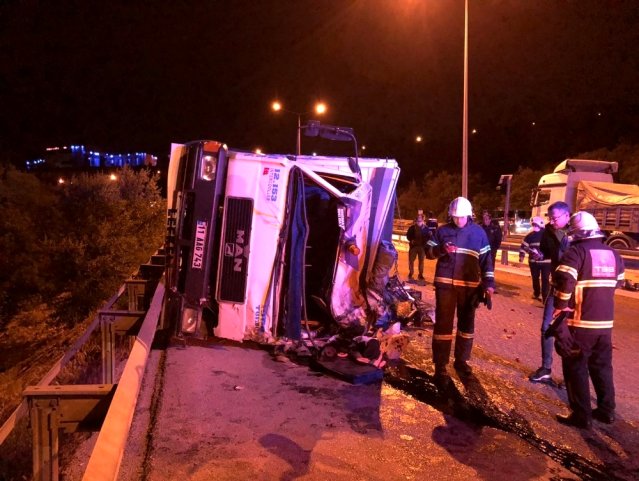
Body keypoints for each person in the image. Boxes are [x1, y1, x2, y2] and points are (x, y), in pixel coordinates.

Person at [552, 211, 624, 429]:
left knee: (575, 367)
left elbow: (565, 281)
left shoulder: (576, 252)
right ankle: (606, 411)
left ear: (576, 233)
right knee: (602, 367)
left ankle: (581, 415)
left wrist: (560, 306)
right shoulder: (613, 253)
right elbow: (619, 282)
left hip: (580, 323)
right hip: (605, 323)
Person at [426, 197, 495, 377]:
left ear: (469, 215)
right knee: (443, 325)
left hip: (469, 287)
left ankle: (461, 361)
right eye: (455, 217)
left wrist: (489, 284)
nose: (458, 220)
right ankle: (440, 364)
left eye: (461, 217)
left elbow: (486, 261)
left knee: (466, 325)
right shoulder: (442, 231)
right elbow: (428, 252)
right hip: (445, 286)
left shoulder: (479, 233)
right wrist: (441, 249)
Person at [528, 201, 571, 383]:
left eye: (555, 218)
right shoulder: (548, 232)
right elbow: (546, 252)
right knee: (547, 327)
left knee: (572, 332)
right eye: (550, 218)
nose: (552, 222)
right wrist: (539, 255)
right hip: (556, 286)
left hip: (574, 289)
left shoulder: (577, 233)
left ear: (567, 216)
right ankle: (546, 368)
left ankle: (573, 376)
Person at [518, 216, 551, 301]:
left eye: (536, 225)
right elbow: (523, 246)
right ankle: (537, 294)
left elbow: (552, 248)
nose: (534, 226)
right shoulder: (530, 236)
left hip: (545, 262)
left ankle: (544, 296)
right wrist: (521, 256)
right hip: (535, 262)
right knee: (536, 278)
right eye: (533, 225)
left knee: (544, 279)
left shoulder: (547, 235)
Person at [406, 214, 430, 281]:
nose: (419, 220)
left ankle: (420, 274)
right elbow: (408, 236)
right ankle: (411, 273)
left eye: (420, 219)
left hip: (422, 248)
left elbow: (428, 237)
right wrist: (411, 241)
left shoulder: (426, 229)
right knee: (411, 260)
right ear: (416, 220)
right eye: (418, 219)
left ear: (423, 220)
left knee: (421, 261)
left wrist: (427, 243)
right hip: (413, 247)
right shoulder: (412, 228)